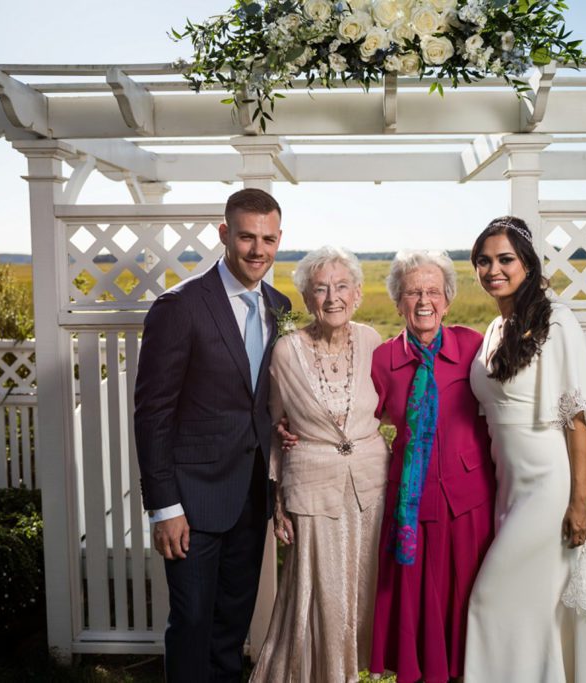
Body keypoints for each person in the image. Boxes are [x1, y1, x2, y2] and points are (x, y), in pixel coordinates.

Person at [133, 188, 291, 683]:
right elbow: (152, 412)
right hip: (193, 505)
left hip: (250, 497)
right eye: (246, 236)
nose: (257, 249)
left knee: (230, 628)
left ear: (279, 239)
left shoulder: (278, 305)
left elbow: (263, 397)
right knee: (193, 624)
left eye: (267, 238)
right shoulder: (179, 307)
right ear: (225, 235)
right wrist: (165, 507)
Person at [464, 216, 586, 682]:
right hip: (509, 486)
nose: (493, 269)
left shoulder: (556, 321)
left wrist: (581, 498)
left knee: (490, 599)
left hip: (548, 488)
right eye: (483, 261)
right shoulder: (498, 327)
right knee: (537, 605)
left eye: (505, 259)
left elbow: (577, 416)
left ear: (529, 265)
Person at [249, 246, 389, 683]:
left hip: (371, 485)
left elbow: (391, 404)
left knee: (365, 590)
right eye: (321, 289)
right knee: (320, 593)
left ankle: (360, 670)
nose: (333, 297)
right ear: (307, 298)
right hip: (311, 486)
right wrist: (278, 501)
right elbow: (273, 427)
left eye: (342, 286)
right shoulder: (287, 351)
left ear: (359, 294)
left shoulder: (372, 341)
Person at [369, 250, 496, 683]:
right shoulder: (382, 359)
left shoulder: (474, 346)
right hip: (411, 503)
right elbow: (350, 413)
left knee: (465, 596)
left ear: (448, 299)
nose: (423, 301)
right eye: (412, 292)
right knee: (419, 600)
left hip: (468, 499)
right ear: (398, 301)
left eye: (432, 291)